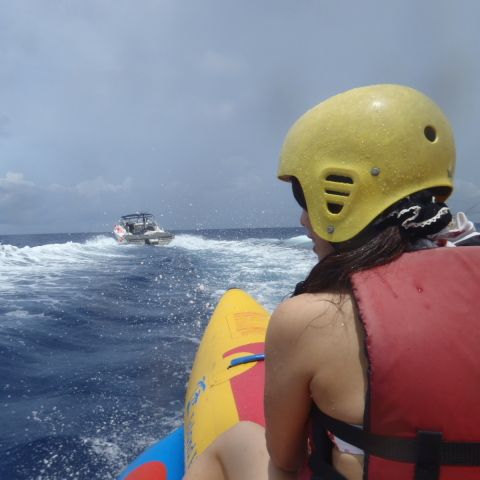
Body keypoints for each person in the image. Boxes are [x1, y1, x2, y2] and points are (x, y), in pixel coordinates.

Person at [185, 84, 480, 480]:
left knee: (235, 442)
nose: (303, 219)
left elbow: (285, 458)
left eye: (303, 198)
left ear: (338, 197)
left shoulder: (308, 319)